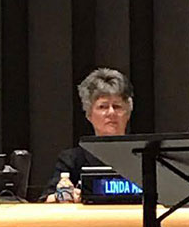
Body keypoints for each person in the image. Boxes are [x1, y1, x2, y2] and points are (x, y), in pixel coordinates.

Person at [42, 68, 133, 202]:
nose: (111, 113)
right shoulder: (71, 160)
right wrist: (65, 196)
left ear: (128, 113)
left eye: (117, 106)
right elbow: (46, 200)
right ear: (89, 114)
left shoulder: (146, 158)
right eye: (103, 107)